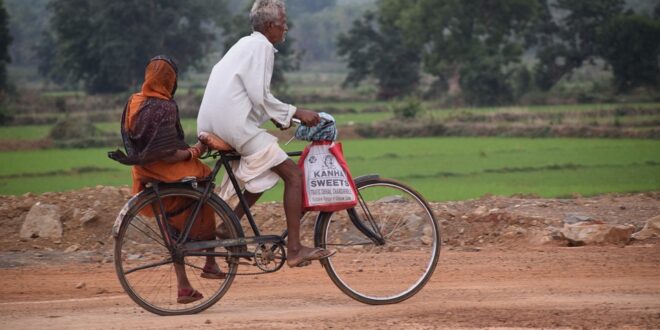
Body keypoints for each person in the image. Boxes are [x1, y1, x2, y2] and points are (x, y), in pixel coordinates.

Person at [197, 0, 335, 267]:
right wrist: (296, 112)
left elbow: (246, 95)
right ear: (271, 26)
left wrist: (279, 116)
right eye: (283, 23)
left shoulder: (244, 44)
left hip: (214, 121)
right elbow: (260, 95)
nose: (286, 28)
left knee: (269, 166)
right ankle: (295, 249)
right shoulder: (262, 47)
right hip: (232, 125)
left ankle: (230, 223)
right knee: (293, 175)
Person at [109, 55, 224, 304]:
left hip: (143, 171)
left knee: (167, 215)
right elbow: (170, 154)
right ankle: (210, 260)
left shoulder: (134, 101)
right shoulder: (164, 106)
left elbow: (139, 144)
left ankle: (184, 285)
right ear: (170, 81)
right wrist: (196, 150)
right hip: (166, 168)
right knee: (205, 181)